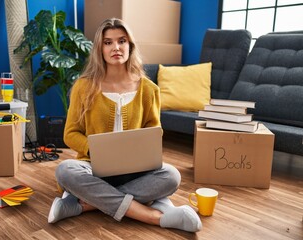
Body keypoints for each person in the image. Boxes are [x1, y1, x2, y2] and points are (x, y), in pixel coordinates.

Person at [48, 18, 202, 233]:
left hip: (136, 171)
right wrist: (97, 150)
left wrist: (143, 151)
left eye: (122, 41)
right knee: (65, 170)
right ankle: (153, 216)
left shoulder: (149, 89)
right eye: (108, 42)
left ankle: (84, 205)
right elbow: (71, 134)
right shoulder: (84, 86)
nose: (116, 47)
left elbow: (154, 132)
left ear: (130, 45)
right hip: (93, 167)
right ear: (100, 49)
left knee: (172, 176)